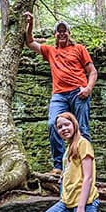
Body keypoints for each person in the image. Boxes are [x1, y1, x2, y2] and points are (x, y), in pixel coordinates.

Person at [23, 11, 98, 176]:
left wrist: (88, 88)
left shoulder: (79, 49)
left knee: (82, 128)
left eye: (65, 31)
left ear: (69, 33)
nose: (62, 33)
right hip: (59, 95)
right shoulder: (50, 51)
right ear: (55, 34)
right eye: (59, 31)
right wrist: (31, 23)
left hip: (79, 93)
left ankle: (84, 169)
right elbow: (29, 42)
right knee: (52, 124)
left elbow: (92, 71)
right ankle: (59, 166)